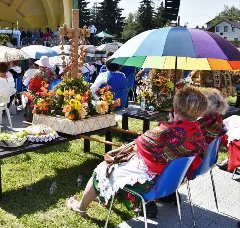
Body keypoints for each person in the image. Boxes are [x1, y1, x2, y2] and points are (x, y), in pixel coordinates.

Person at [67, 86, 208, 216]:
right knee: (118, 166)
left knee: (103, 168)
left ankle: (81, 207)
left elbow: (138, 144)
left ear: (176, 109)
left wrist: (169, 124)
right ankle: (101, 194)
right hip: (169, 182)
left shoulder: (165, 132)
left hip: (150, 183)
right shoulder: (198, 135)